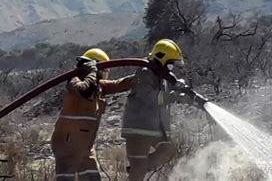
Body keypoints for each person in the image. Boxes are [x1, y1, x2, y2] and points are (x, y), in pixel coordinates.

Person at [51, 48, 134, 181]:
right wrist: (92, 72)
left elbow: (118, 84)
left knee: (91, 177)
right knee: (65, 177)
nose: (104, 75)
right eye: (103, 71)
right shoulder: (74, 79)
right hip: (68, 142)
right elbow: (83, 90)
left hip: (86, 145)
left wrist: (141, 76)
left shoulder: (98, 86)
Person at [121, 39, 194, 181]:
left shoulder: (162, 76)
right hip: (138, 128)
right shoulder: (145, 72)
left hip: (153, 128)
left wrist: (182, 90)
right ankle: (137, 169)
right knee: (139, 170)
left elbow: (166, 94)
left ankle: (138, 168)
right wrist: (174, 97)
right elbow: (148, 97)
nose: (171, 68)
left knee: (168, 149)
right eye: (171, 64)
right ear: (162, 59)